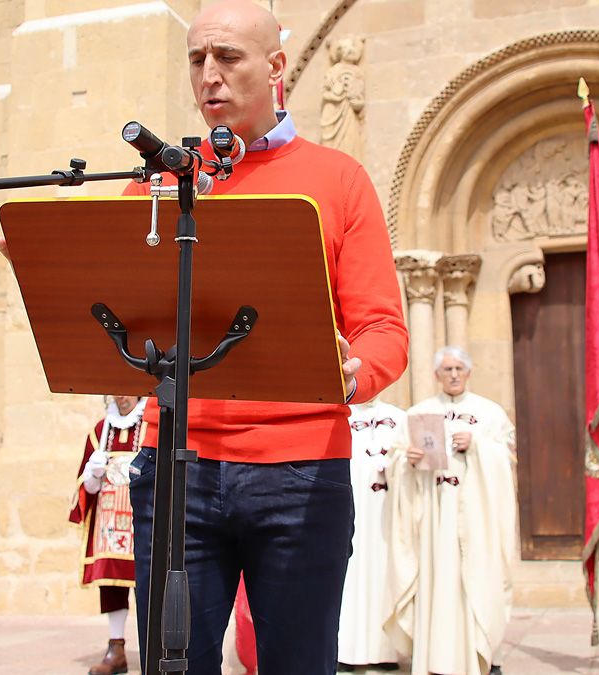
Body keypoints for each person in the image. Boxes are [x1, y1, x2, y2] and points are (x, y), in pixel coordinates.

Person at [121, 2, 409, 674]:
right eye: (197, 60)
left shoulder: (338, 179)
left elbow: (384, 330)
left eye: (228, 58)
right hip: (175, 473)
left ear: (277, 66)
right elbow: (120, 309)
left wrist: (354, 371)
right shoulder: (161, 182)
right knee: (172, 664)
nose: (209, 76)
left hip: (300, 472)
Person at [385, 346, 516, 675]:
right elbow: (396, 459)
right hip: (434, 520)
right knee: (438, 583)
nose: (454, 374)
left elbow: (507, 457)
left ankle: (479, 653)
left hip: (476, 517)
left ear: (469, 372)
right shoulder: (419, 413)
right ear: (436, 376)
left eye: (459, 368)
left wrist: (478, 446)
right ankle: (436, 659)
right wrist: (408, 461)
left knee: (477, 580)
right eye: (447, 370)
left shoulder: (490, 413)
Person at [69, 395, 146, 675]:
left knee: (148, 581)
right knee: (112, 584)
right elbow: (85, 487)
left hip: (141, 518)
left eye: (126, 390)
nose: (121, 396)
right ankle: (116, 648)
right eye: (116, 390)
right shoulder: (100, 431)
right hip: (109, 522)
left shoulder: (150, 426)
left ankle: (153, 647)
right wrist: (93, 474)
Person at [338, 395, 407, 672]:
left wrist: (396, 466)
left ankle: (385, 650)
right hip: (351, 508)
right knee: (349, 576)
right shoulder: (342, 414)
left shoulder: (399, 418)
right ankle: (347, 650)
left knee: (384, 573)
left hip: (386, 512)